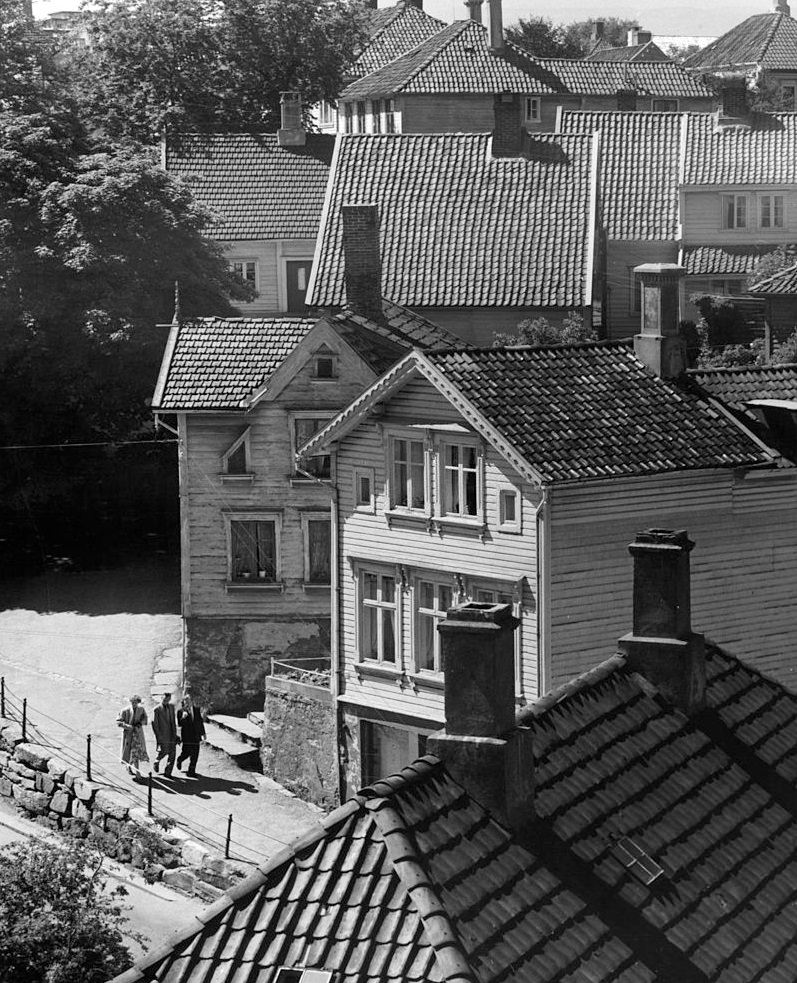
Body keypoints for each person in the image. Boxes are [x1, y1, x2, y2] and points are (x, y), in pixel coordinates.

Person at [117, 695, 150, 780]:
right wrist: (128, 726)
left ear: (138, 702)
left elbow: (145, 719)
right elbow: (119, 722)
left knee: (136, 753)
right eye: (132, 702)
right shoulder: (125, 710)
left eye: (135, 702)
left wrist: (140, 723)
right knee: (130, 752)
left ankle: (133, 769)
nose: (134, 704)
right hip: (129, 735)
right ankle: (137, 772)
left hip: (138, 735)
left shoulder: (141, 709)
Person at [176, 694, 206, 777]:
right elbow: (180, 724)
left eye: (189, 700)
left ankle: (191, 771)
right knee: (186, 752)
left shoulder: (196, 709)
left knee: (195, 754)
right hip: (187, 736)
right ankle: (180, 759)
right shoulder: (180, 711)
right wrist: (183, 717)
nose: (188, 702)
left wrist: (203, 733)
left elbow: (200, 722)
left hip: (196, 735)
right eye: (186, 700)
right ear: (184, 702)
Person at [152, 691, 180, 778]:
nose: (166, 701)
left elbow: (173, 721)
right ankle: (156, 761)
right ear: (161, 698)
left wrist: (175, 734)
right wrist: (158, 736)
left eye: (168, 699)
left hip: (172, 734)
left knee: (172, 753)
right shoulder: (156, 709)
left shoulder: (171, 707)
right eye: (164, 699)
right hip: (163, 735)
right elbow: (155, 724)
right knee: (163, 752)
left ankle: (168, 773)